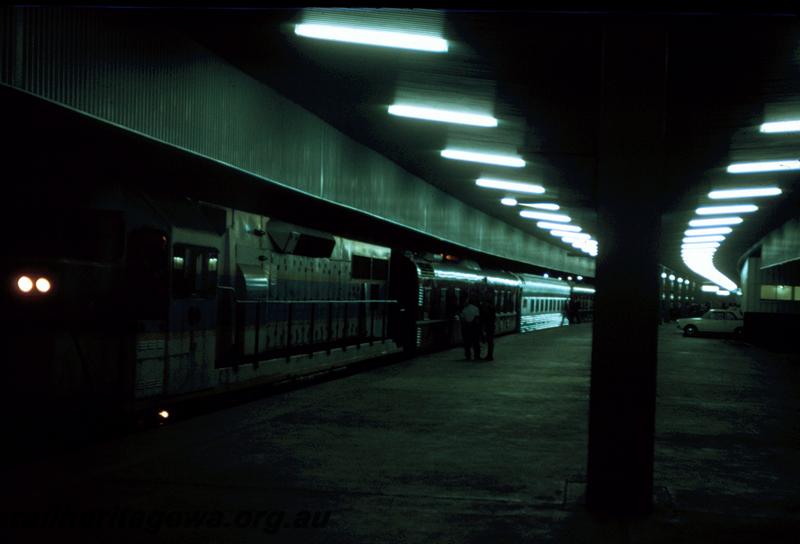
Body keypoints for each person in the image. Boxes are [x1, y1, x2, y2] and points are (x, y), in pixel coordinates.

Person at [478, 286, 496, 361]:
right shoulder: (492, 306)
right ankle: (489, 355)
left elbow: (484, 316)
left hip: (488, 325)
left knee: (488, 341)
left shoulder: (487, 306)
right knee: (490, 341)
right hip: (490, 325)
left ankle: (489, 355)